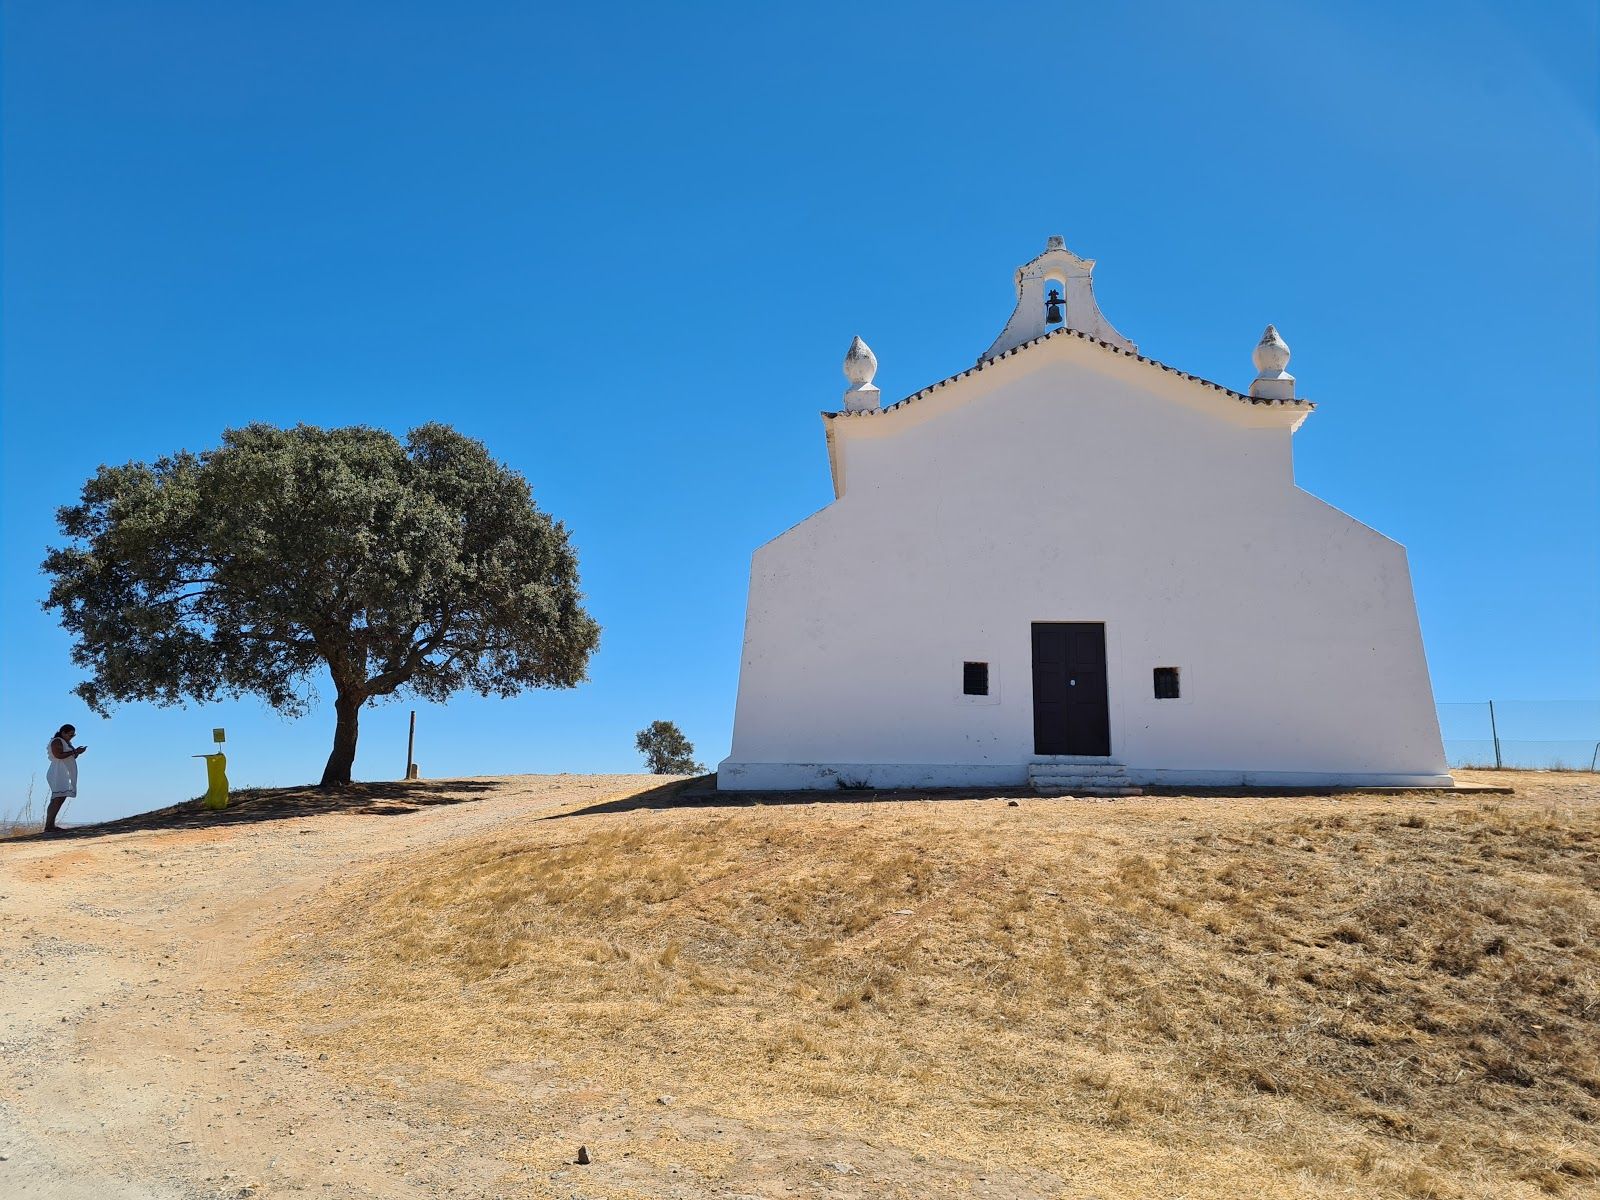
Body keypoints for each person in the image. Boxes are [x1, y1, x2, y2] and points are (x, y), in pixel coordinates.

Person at [44, 724, 87, 834]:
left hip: (65, 772)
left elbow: (71, 756)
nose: (72, 737)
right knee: (57, 798)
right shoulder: (57, 741)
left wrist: (77, 752)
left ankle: (51, 825)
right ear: (63, 732)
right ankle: (49, 826)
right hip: (58, 772)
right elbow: (58, 755)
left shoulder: (67, 743)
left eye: (73, 735)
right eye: (70, 734)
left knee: (60, 798)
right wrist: (74, 751)